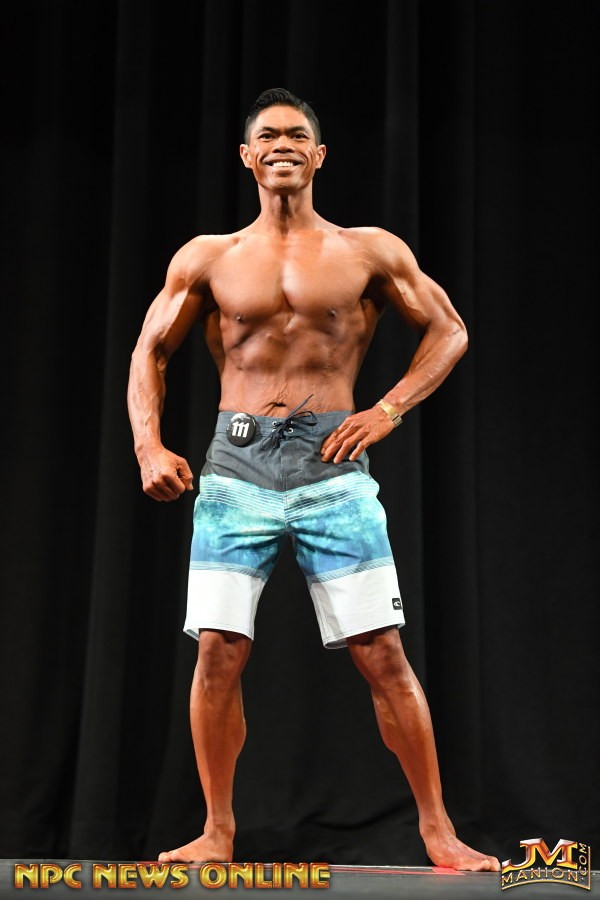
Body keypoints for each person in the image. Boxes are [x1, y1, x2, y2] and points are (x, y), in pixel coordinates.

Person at [127, 87, 500, 872]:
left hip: (332, 471)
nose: (283, 144)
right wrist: (148, 447)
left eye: (297, 134)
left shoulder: (368, 251)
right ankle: (217, 830)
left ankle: (438, 830)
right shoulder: (208, 257)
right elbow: (149, 352)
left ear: (319, 154)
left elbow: (450, 330)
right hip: (235, 471)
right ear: (247, 155)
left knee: (383, 653)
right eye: (268, 135)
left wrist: (388, 410)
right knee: (218, 652)